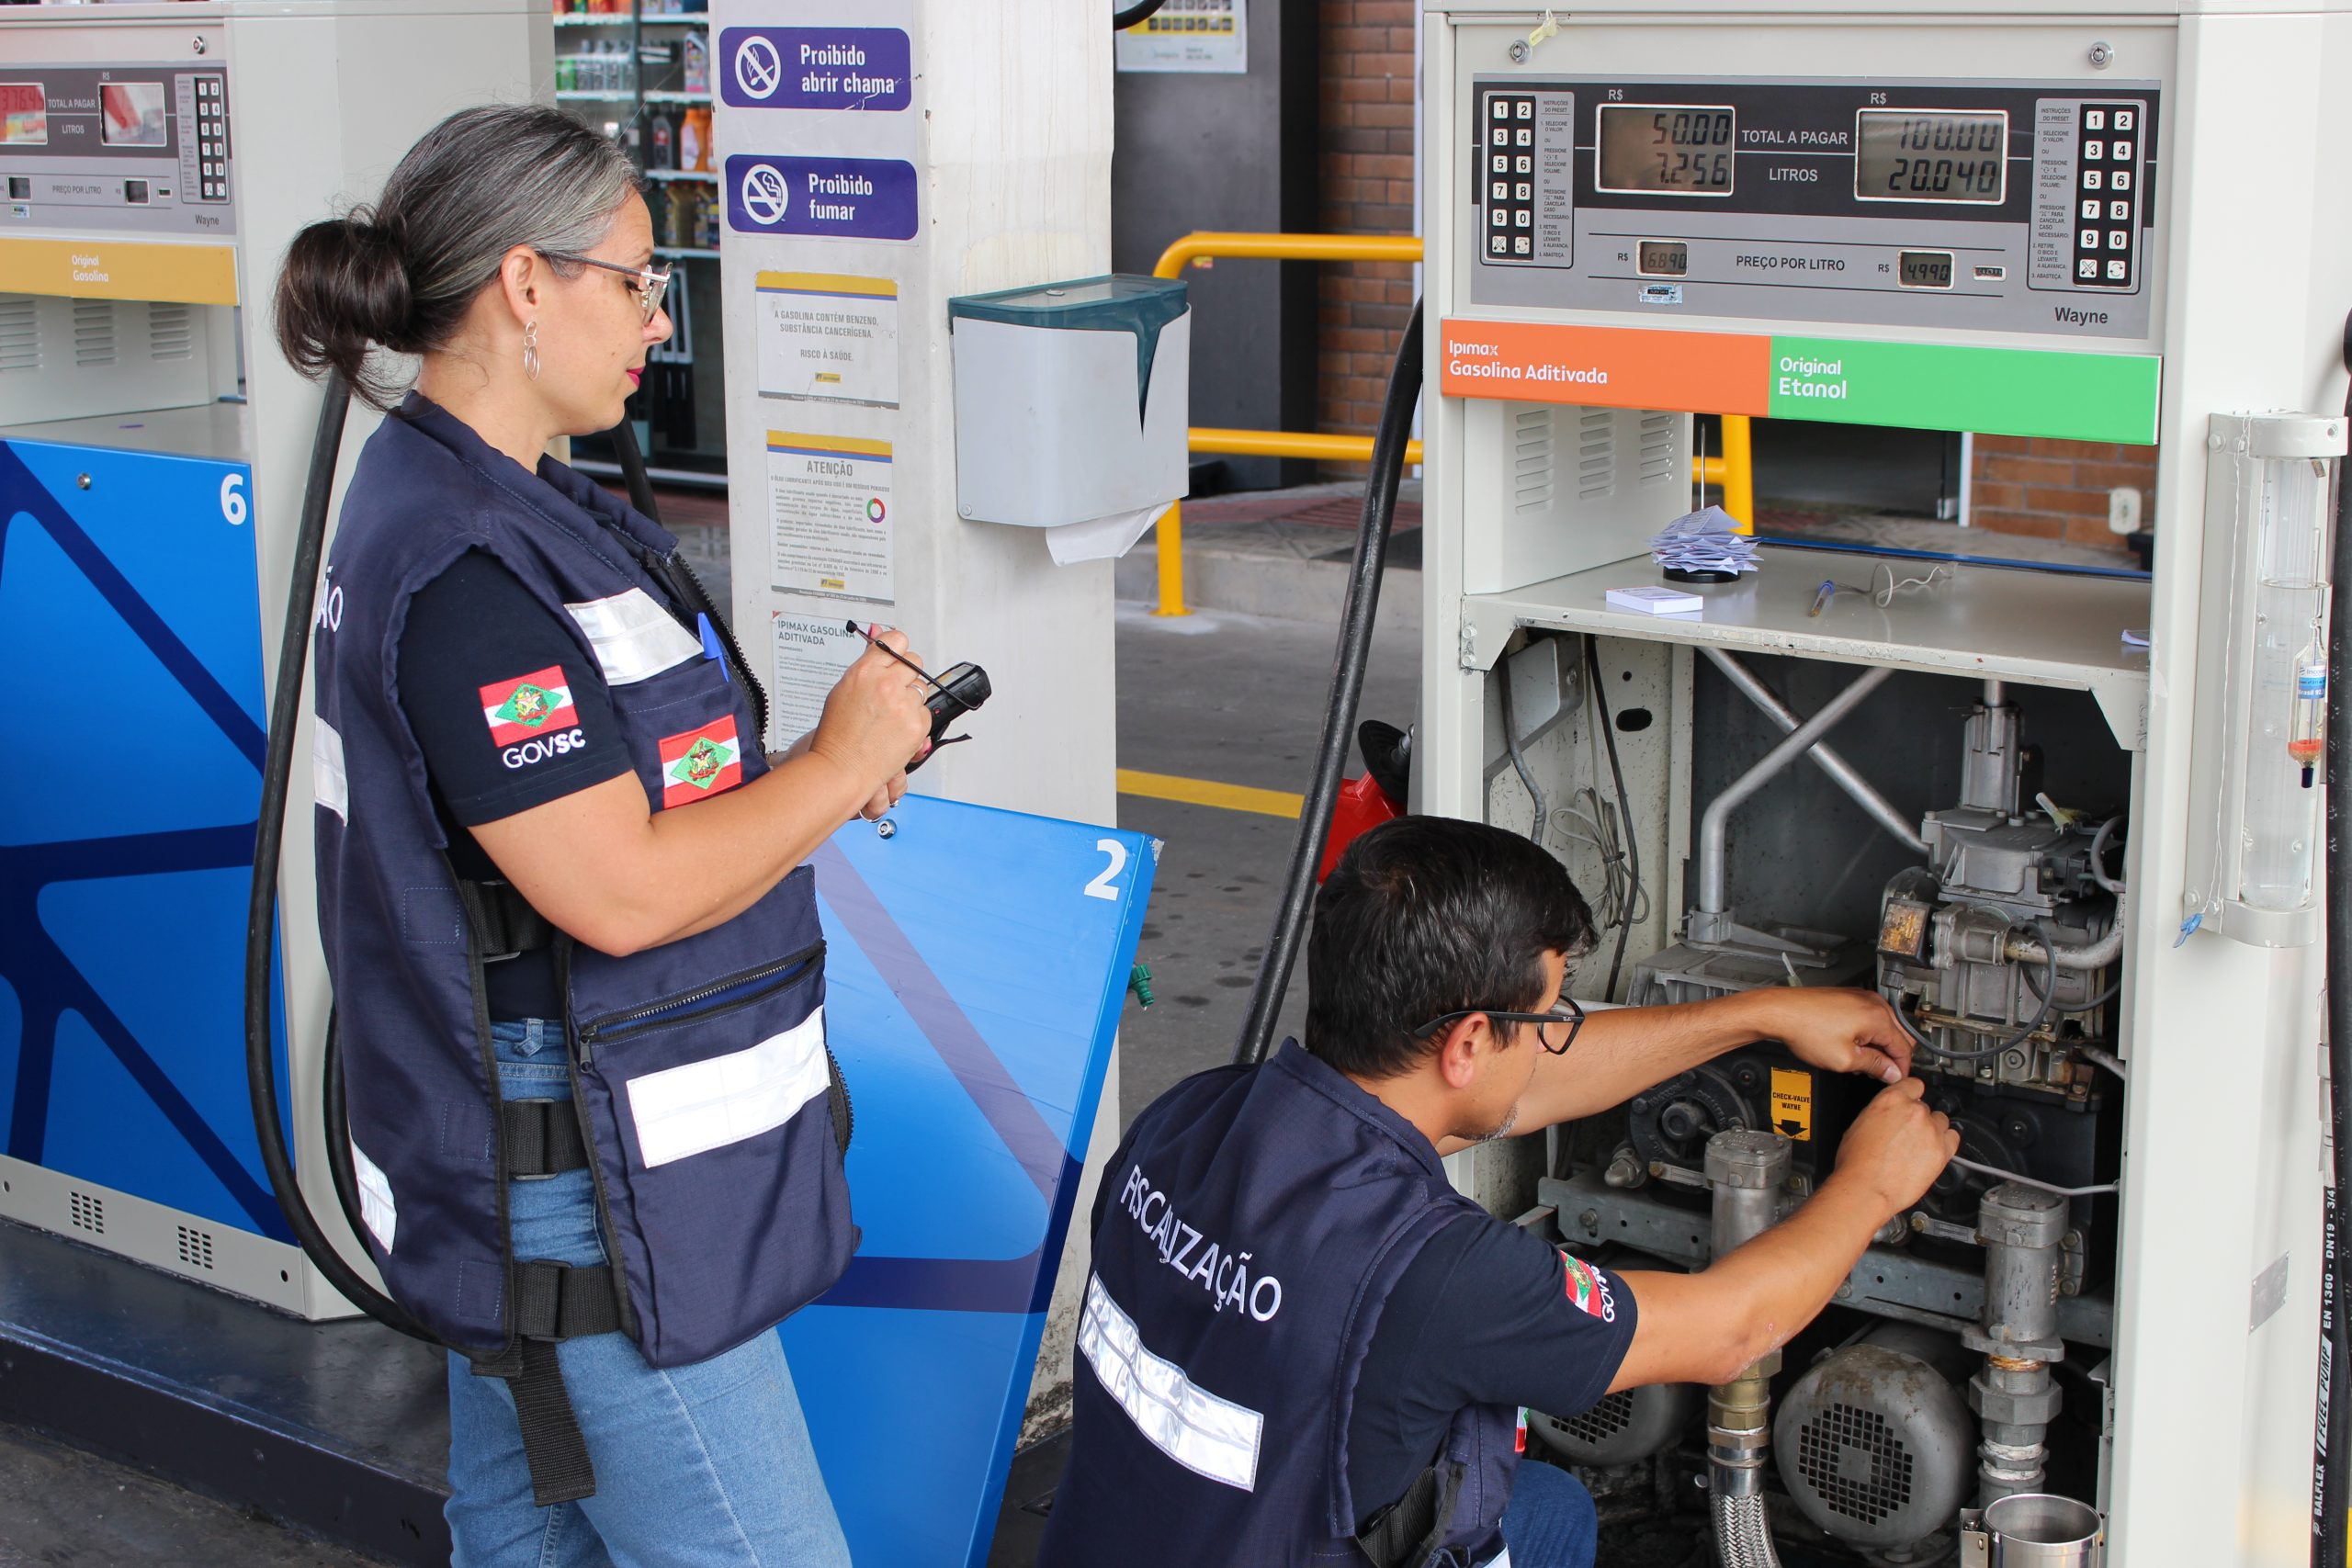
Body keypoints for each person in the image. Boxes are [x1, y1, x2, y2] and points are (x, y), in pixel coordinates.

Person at [276, 105, 936, 1567]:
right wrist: (837, 763)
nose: (658, 317)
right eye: (636, 279)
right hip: (584, 1166)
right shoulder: (466, 570)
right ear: (525, 283)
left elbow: (620, 797)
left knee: (534, 1546)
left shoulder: (497, 501)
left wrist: (818, 772)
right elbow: (618, 890)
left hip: (553, 1131)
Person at [1037, 816, 1959, 1568]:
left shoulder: (1190, 1115)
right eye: (1548, 1016)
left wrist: (1758, 1016)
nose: (1553, 1038)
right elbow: (1733, 1329)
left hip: (1135, 1537)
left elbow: (1514, 1089)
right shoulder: (1439, 1272)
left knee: (1547, 1504)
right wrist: (1872, 1182)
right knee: (1542, 1521)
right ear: (1469, 1041)